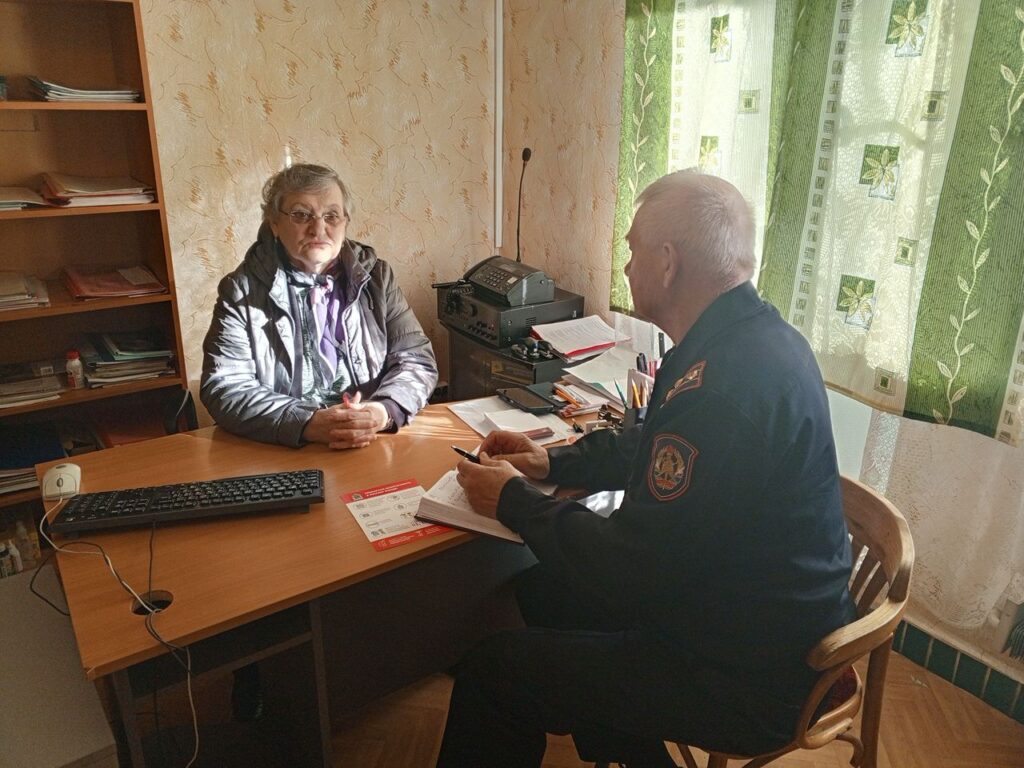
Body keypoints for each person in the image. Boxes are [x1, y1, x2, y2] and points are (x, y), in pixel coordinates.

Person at [435, 170, 856, 767]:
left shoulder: (721, 388)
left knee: (492, 672)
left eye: (632, 250)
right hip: (744, 610)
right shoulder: (749, 338)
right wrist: (550, 458)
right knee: (542, 592)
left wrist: (512, 500)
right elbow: (651, 446)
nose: (627, 266)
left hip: (749, 671)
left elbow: (632, 568)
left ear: (667, 262)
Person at [201, 162, 438, 449]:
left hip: (371, 440)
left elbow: (416, 360)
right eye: (301, 215)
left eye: (331, 216)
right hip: (284, 447)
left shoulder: (377, 278)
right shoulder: (241, 290)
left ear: (345, 221)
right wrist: (307, 422)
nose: (318, 229)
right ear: (274, 223)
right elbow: (226, 387)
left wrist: (381, 411)